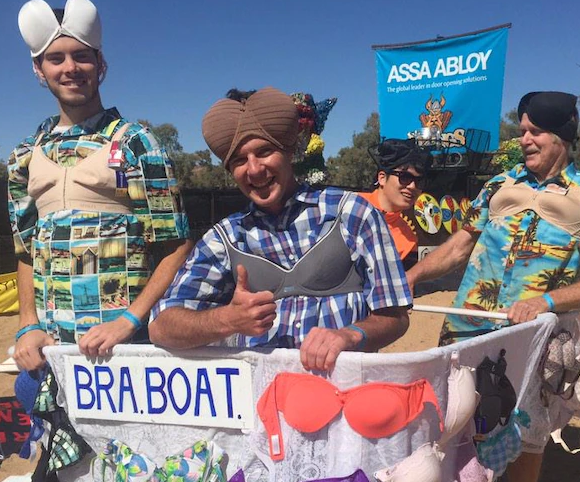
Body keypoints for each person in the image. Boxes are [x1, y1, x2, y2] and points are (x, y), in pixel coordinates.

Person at [7, 0, 192, 482]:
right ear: (39, 72)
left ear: (102, 66)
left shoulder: (136, 143)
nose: (70, 68)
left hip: (129, 356)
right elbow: (22, 248)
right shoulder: (23, 157)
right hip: (63, 357)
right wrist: (27, 324)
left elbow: (175, 244)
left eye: (82, 57)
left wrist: (130, 321)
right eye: (56, 59)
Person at [407, 91, 580, 482]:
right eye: (522, 129)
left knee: (528, 428)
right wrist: (410, 277)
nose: (524, 138)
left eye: (535, 131)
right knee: (450, 415)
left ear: (562, 136)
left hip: (532, 334)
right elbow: (458, 247)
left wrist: (548, 300)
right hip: (468, 322)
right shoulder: (498, 185)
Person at [149, 87, 412, 371]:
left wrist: (349, 335)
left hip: (344, 397)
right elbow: (161, 326)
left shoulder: (352, 214)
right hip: (257, 401)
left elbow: (396, 317)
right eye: (239, 160)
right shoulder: (225, 239)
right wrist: (227, 319)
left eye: (264, 151)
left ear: (289, 150)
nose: (254, 169)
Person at [360, 138, 431, 269]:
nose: (412, 186)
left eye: (419, 181)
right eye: (405, 177)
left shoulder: (408, 241)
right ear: (382, 178)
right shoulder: (350, 206)